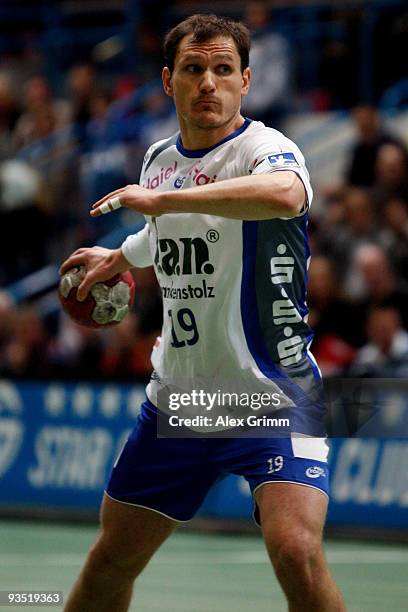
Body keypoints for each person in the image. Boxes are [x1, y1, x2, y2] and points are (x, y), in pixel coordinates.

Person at [61, 14, 345, 612]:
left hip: (272, 392)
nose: (208, 83)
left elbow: (285, 196)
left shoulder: (268, 149)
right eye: (194, 70)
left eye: (222, 70)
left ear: (246, 79)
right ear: (169, 82)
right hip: (182, 400)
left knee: (296, 552)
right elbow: (168, 229)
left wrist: (161, 200)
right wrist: (123, 254)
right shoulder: (159, 159)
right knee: (111, 561)